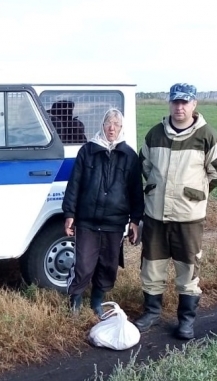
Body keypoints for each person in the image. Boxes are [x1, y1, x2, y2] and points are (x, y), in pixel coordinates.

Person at [133, 83, 217, 340]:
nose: (180, 107)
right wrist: (157, 188)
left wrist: (196, 194)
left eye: (185, 102)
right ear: (170, 104)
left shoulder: (208, 135)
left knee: (188, 269)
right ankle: (152, 312)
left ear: (194, 104)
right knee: (152, 267)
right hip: (155, 215)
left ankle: (185, 320)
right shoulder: (155, 134)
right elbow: (145, 165)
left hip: (189, 218)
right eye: (176, 102)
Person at [62, 107, 144, 317]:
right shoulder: (87, 151)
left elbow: (136, 191)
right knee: (83, 264)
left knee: (108, 265)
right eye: (108, 123)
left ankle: (97, 301)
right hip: (87, 220)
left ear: (121, 128)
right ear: (102, 125)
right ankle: (76, 299)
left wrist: (135, 219)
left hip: (114, 222)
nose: (111, 128)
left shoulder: (129, 156)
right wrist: (70, 214)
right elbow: (74, 185)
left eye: (116, 125)